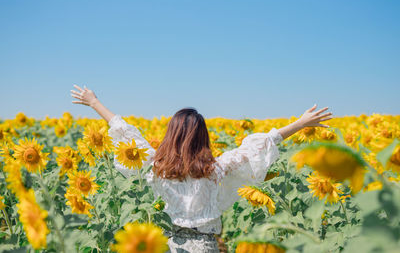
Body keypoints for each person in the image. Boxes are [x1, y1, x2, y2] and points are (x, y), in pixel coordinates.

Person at [70, 84, 333, 253]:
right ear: (202, 137)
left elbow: (127, 135)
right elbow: (258, 146)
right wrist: (299, 123)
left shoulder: (156, 168)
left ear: (170, 135)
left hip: (169, 246)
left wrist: (94, 103)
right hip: (205, 247)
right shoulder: (216, 170)